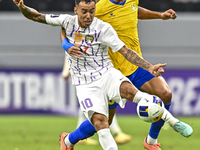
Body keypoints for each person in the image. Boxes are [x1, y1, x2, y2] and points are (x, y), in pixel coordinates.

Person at [13, 0, 193, 150]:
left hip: (111, 71)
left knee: (146, 94)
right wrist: (23, 8)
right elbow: (48, 21)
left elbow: (126, 46)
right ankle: (68, 140)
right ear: (76, 11)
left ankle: (164, 130)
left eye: (91, 12)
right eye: (85, 12)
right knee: (102, 123)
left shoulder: (104, 27)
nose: (89, 15)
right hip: (86, 82)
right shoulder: (93, 8)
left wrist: (149, 65)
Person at [61, 0, 180, 149]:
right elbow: (71, 25)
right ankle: (69, 139)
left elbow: (133, 10)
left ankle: (151, 142)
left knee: (165, 93)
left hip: (135, 66)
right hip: (111, 72)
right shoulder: (99, 6)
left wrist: (160, 15)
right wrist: (68, 46)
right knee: (104, 122)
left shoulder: (132, 1)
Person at [62, 56, 132, 145]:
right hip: (87, 75)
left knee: (92, 105)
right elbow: (70, 51)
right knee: (102, 105)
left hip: (95, 73)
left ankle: (77, 136)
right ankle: (117, 132)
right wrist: (66, 70)